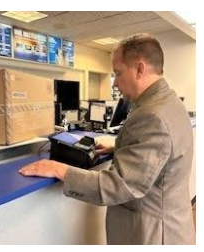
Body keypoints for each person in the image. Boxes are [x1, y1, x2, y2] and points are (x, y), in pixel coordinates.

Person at [19, 34, 194, 244]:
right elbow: (160, 154)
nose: (115, 83)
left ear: (140, 69)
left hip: (154, 234)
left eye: (118, 73)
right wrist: (120, 146)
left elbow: (118, 186)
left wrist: (59, 169)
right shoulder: (169, 102)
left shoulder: (152, 116)